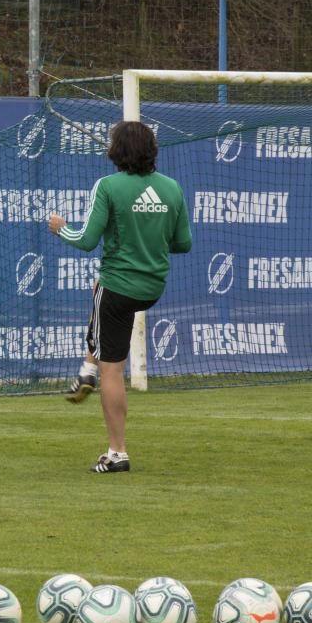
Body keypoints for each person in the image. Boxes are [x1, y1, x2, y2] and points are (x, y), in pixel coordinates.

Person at [48, 120, 191, 473]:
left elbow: (85, 241)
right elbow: (183, 243)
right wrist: (150, 235)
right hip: (152, 288)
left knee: (114, 367)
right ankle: (86, 370)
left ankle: (117, 452)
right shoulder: (171, 188)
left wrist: (59, 227)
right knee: (99, 291)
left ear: (116, 151)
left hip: (120, 287)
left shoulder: (109, 186)